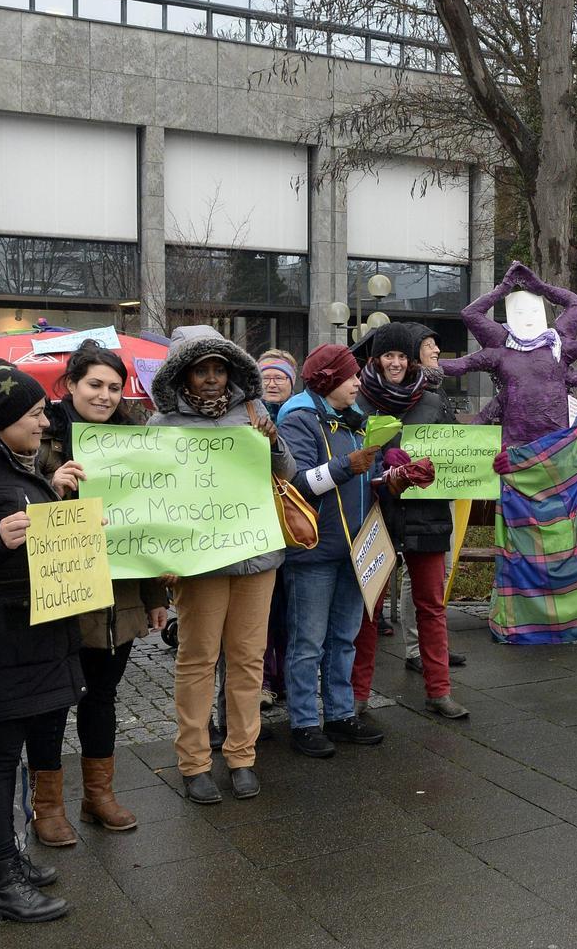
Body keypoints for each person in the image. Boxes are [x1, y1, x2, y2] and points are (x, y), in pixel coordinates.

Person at [0, 360, 84, 922]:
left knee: (8, 756)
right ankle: (1, 881)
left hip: (28, 636)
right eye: (33, 413)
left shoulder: (3, 463)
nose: (46, 421)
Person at [149, 327, 296, 803]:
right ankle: (193, 762)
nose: (212, 379)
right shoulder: (162, 424)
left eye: (219, 369)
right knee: (196, 660)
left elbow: (286, 473)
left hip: (256, 557)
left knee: (248, 660)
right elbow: (151, 496)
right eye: (201, 370)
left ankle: (242, 756)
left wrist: (272, 441)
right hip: (197, 564)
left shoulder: (254, 412)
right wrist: (162, 556)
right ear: (184, 374)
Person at [36, 342, 168, 834]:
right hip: (62, 588)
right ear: (70, 385)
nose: (105, 395)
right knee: (51, 699)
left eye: (115, 387)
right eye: (95, 384)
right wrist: (53, 485)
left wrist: (156, 596)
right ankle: (47, 807)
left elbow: (147, 522)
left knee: (102, 694)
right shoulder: (41, 434)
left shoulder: (133, 439)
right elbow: (17, 507)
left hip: (120, 592)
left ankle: (99, 796)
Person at [276, 343, 394, 757]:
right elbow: (297, 483)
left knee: (345, 637)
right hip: (313, 551)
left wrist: (394, 478)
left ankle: (341, 714)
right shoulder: (298, 419)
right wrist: (349, 466)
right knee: (307, 642)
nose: (358, 382)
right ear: (328, 380)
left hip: (355, 549)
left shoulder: (356, 421)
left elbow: (369, 479)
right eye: (351, 377)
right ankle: (305, 722)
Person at [357, 323, 464, 718]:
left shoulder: (433, 403)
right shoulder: (358, 403)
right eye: (389, 356)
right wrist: (380, 470)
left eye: (403, 356)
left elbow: (456, 458)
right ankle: (358, 694)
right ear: (376, 359)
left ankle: (439, 691)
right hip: (375, 516)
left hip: (426, 516)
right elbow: (346, 464)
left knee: (431, 606)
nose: (397, 363)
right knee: (368, 609)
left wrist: (488, 466)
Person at [397, 323, 468, 675]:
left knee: (442, 571)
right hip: (417, 496)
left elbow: (450, 434)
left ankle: (433, 645)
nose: (436, 350)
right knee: (418, 575)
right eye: (428, 345)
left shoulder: (436, 389)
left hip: (443, 490)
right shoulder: (407, 392)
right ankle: (415, 648)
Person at [257, 349, 299, 697]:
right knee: (264, 612)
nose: (272, 382)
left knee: (289, 609)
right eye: (266, 376)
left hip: (293, 524)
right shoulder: (247, 416)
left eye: (279, 377)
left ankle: (286, 676)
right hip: (260, 525)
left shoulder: (297, 416)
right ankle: (266, 679)